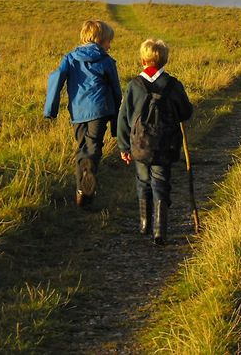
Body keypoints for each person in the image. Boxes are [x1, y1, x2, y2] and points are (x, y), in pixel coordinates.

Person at [117, 38, 194, 245]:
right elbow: (186, 112)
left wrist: (124, 146)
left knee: (143, 181)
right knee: (161, 183)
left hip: (140, 146)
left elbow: (123, 118)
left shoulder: (134, 85)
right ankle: (160, 230)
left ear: (143, 60)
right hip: (165, 145)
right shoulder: (173, 84)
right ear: (165, 60)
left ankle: (144, 224)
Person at [44, 19, 123, 207]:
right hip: (100, 109)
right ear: (99, 40)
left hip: (77, 111)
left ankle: (82, 190)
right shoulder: (106, 61)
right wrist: (117, 118)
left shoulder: (70, 58)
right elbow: (116, 89)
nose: (109, 46)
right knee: (94, 144)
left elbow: (56, 80)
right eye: (108, 42)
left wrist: (50, 109)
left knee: (81, 147)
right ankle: (87, 181)